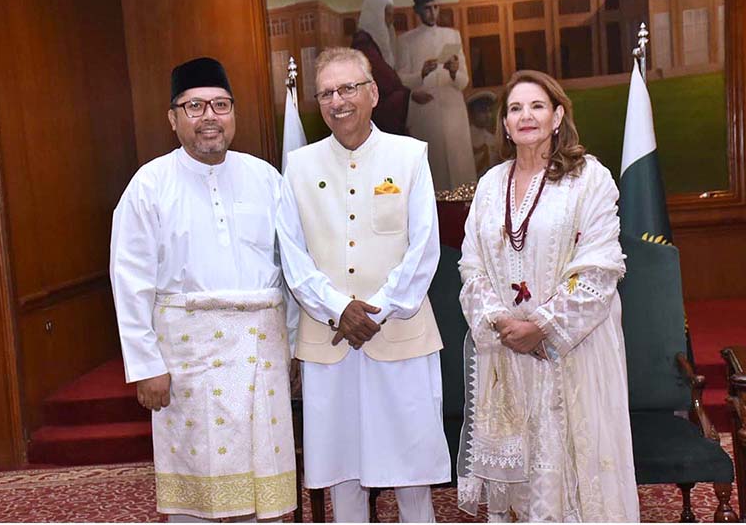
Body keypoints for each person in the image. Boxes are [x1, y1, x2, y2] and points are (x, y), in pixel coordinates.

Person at [110, 57, 296, 522]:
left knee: (264, 480)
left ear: (234, 113)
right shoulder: (148, 186)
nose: (209, 116)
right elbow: (130, 282)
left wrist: (294, 344)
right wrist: (146, 366)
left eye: (220, 104)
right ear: (173, 119)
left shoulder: (266, 178)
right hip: (188, 364)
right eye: (194, 106)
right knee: (198, 487)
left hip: (262, 356)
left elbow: (293, 271)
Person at [277, 47, 451, 523]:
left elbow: (423, 247)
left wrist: (376, 310)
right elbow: (293, 256)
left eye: (348, 88)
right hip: (329, 341)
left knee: (412, 472)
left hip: (400, 335)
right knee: (342, 474)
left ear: (372, 93)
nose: (338, 101)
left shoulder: (410, 156)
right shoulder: (298, 167)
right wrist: (338, 309)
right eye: (327, 92)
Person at [456, 69, 639, 521]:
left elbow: (599, 269)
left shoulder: (590, 178)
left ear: (558, 115)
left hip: (572, 355)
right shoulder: (489, 185)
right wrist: (502, 322)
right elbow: (470, 266)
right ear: (504, 124)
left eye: (537, 106)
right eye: (515, 108)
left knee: (576, 475)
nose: (526, 116)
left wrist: (541, 327)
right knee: (523, 488)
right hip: (508, 358)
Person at [396, 0, 475, 192]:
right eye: (427, 9)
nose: (433, 13)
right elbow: (401, 81)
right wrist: (420, 74)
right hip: (426, 112)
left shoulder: (452, 36)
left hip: (453, 111)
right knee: (434, 168)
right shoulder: (406, 41)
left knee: (459, 167)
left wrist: (455, 72)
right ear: (417, 11)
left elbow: (464, 82)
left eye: (436, 7)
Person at [351, 0, 410, 135]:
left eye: (392, 15)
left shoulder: (374, 42)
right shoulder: (363, 45)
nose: (391, 21)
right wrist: (409, 93)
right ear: (376, 15)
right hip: (377, 119)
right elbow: (388, 82)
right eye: (388, 15)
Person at [465, 90, 500, 177]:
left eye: (489, 111)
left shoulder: (493, 138)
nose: (488, 115)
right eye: (482, 111)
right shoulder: (466, 139)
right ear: (471, 114)